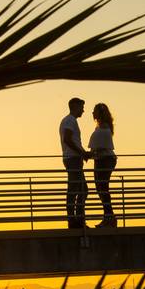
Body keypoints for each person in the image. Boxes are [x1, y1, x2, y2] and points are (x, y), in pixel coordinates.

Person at [59, 97, 90, 228]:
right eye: (81, 107)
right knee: (76, 189)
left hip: (73, 158)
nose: (83, 110)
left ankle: (77, 220)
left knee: (81, 189)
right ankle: (75, 221)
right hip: (72, 159)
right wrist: (82, 153)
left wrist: (84, 153)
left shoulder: (70, 121)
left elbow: (73, 141)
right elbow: (67, 139)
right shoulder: (70, 121)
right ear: (75, 106)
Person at [88, 103, 117, 228]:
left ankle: (109, 218)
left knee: (103, 189)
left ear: (99, 113)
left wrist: (88, 154)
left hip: (104, 160)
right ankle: (108, 217)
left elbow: (101, 147)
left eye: (94, 111)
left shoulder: (104, 127)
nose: (92, 113)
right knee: (101, 189)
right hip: (100, 159)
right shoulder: (101, 126)